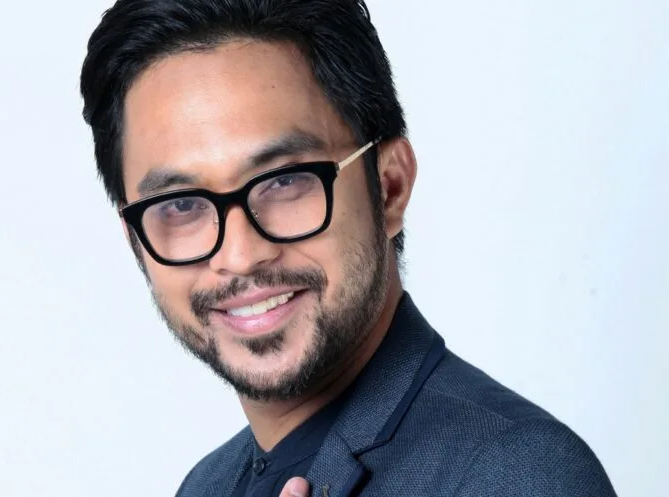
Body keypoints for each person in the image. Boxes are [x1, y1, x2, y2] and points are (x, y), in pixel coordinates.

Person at [79, 1, 617, 496]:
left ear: (389, 187)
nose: (240, 255)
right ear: (136, 242)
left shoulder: (518, 472)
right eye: (180, 205)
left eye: (285, 181)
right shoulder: (207, 486)